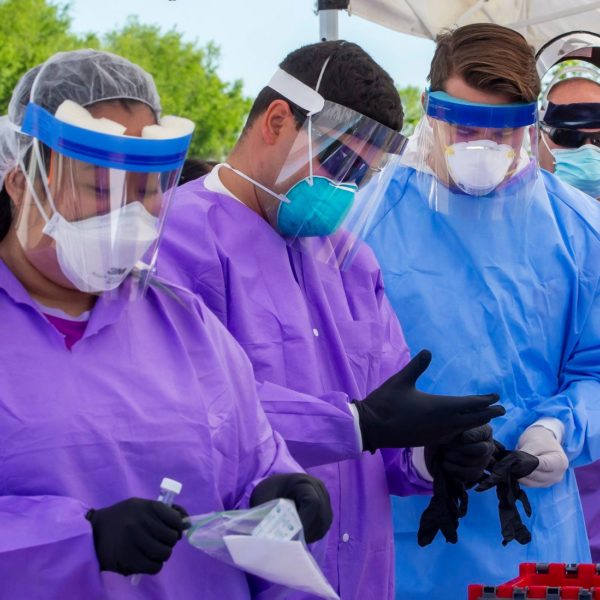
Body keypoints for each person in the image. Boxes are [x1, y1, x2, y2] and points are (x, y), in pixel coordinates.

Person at [158, 40, 504, 599]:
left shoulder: (349, 260)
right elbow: (193, 416)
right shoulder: (175, 242)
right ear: (277, 120)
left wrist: (428, 453)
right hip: (238, 577)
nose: (344, 190)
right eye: (340, 162)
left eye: (361, 177)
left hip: (360, 575)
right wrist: (355, 423)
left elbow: (387, 420)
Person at [0, 49, 334, 599]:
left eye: (148, 187)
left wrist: (278, 491)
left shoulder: (185, 325)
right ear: (21, 181)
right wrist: (72, 541)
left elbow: (250, 459)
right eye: (100, 186)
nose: (129, 213)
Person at [364, 23, 600, 598]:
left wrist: (558, 429)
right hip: (404, 530)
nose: (481, 147)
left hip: (534, 531)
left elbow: (595, 367)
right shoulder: (365, 223)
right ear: (429, 108)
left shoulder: (577, 228)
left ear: (531, 126)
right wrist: (415, 455)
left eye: (503, 132)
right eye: (465, 125)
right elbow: (335, 382)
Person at [536, 33, 600, 199]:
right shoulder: (514, 213)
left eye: (599, 139)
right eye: (568, 137)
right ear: (536, 135)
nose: (589, 150)